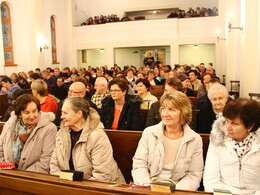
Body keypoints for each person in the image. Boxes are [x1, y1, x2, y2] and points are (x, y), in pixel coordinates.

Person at [132, 91, 203, 190]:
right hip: (149, 187)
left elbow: (194, 174)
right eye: (163, 109)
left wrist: (175, 192)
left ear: (183, 112)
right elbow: (139, 165)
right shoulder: (149, 133)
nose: (165, 114)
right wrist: (148, 188)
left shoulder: (194, 139)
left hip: (178, 190)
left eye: (171, 110)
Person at [50, 97, 125, 183]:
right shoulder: (62, 133)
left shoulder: (97, 136)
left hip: (102, 187)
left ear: (79, 114)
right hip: (68, 186)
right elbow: (54, 165)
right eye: (61, 113)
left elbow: (102, 175)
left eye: (65, 113)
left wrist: (76, 189)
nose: (62, 117)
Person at [203, 98, 260, 194]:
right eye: (227, 121)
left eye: (234, 123)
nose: (228, 127)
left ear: (250, 126)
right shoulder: (218, 139)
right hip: (224, 192)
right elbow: (211, 177)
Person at [0, 94, 57, 173]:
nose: (32, 116)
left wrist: (23, 176)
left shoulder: (49, 128)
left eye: (34, 111)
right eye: (27, 113)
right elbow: (1, 150)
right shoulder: (9, 124)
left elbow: (45, 161)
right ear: (19, 114)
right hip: (8, 174)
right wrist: (6, 170)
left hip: (33, 177)